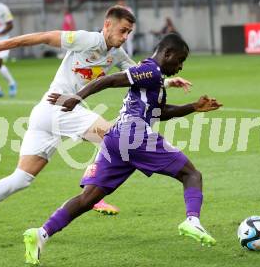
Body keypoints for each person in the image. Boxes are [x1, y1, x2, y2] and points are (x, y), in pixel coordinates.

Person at [0, 5, 191, 241]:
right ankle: (94, 191)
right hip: (57, 107)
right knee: (114, 135)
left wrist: (169, 82)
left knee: (22, 178)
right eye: (123, 30)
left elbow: (139, 75)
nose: (126, 36)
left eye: (129, 32)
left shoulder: (117, 54)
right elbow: (45, 37)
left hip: (51, 112)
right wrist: (3, 44)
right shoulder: (86, 39)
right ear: (107, 24)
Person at [23, 33, 221, 265]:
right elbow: (108, 80)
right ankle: (192, 220)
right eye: (179, 60)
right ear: (167, 54)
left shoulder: (154, 79)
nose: (180, 66)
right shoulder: (151, 71)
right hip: (134, 134)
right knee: (191, 174)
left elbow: (160, 112)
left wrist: (193, 107)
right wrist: (76, 97)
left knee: (88, 199)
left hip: (117, 139)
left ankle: (41, 233)